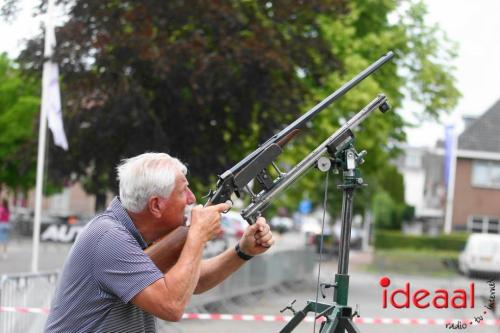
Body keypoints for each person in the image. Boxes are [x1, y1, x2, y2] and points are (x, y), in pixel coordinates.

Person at [44, 152, 274, 333]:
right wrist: (197, 236)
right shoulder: (109, 237)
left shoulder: (133, 235)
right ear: (156, 205)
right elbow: (171, 305)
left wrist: (242, 251)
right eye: (184, 190)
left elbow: (194, 280)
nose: (193, 198)